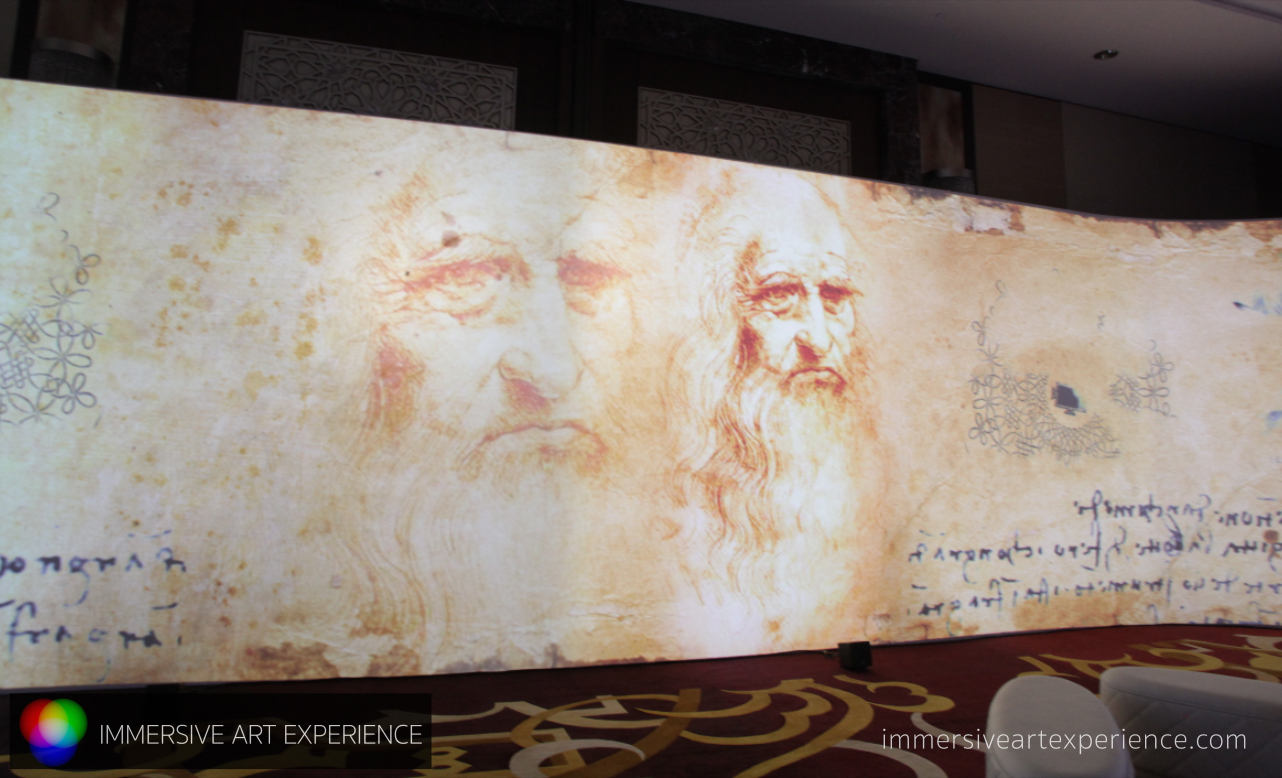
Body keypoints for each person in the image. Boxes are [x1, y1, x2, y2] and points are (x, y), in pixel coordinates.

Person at [667, 168, 880, 650]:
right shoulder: (667, 532)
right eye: (779, 296)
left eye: (834, 296)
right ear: (720, 316)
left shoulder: (867, 489)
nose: (819, 339)